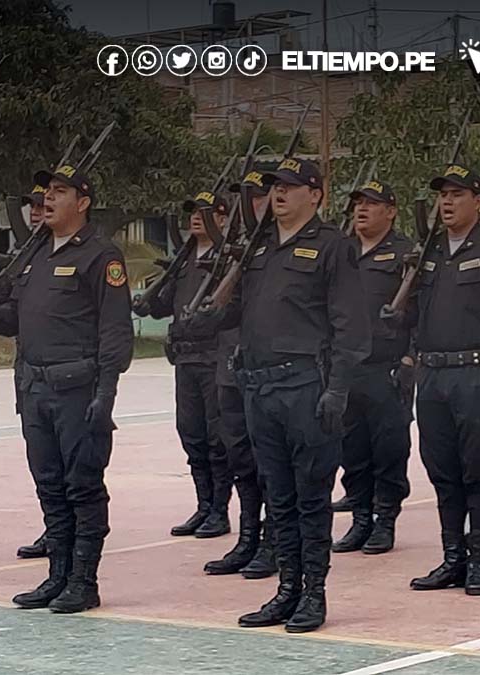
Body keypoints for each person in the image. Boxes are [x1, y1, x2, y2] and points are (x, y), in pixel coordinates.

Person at [196, 158, 368, 633]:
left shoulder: (332, 246)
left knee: (311, 496)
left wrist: (338, 388)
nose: (279, 194)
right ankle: (287, 589)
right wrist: (209, 318)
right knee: (278, 494)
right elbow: (243, 312)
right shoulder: (260, 246)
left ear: (315, 194)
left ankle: (313, 593)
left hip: (306, 386)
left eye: (290, 186)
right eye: (275, 187)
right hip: (260, 386)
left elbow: (350, 326)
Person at [0, 163, 133, 613]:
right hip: (34, 389)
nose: (48, 199)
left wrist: (106, 393)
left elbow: (116, 331)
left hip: (78, 390)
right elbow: (17, 317)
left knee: (83, 486)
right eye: (46, 192)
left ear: (83, 202)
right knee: (50, 486)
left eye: (60, 191)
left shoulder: (101, 256)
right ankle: (57, 575)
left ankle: (83, 581)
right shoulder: (35, 254)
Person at [391, 164, 480, 595]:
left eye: (457, 194)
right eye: (443, 195)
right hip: (432, 376)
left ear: (479, 201)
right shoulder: (428, 252)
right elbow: (416, 317)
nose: (447, 202)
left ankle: (478, 561)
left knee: (476, 470)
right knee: (442, 471)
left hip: (474, 374)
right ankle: (452, 558)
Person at [139, 191, 233, 540]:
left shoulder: (226, 259)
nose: (196, 217)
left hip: (212, 357)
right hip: (185, 359)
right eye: (193, 211)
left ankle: (219, 510)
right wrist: (149, 303)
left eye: (205, 212)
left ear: (222, 219)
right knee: (191, 434)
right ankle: (203, 505)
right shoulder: (184, 259)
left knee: (216, 437)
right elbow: (167, 304)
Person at [331, 179, 413, 555]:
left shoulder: (406, 254)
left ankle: (385, 520)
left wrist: (410, 357)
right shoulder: (342, 251)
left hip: (387, 368)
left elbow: (420, 310)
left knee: (389, 449)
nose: (361, 209)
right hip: (347, 368)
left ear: (391, 212)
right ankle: (360, 518)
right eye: (358, 203)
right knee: (352, 450)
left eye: (371, 203)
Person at [204, 170, 276, 579]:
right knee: (240, 459)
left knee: (270, 463)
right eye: (244, 197)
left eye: (258, 196)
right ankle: (248, 537)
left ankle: (274, 541)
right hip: (229, 369)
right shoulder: (234, 248)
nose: (250, 205)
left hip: (265, 371)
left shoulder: (279, 249)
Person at [12, 184, 50, 560]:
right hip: (28, 373)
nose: (37, 212)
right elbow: (14, 315)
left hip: (68, 378)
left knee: (72, 467)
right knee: (41, 460)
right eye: (32, 206)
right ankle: (53, 527)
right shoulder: (25, 256)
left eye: (42, 205)